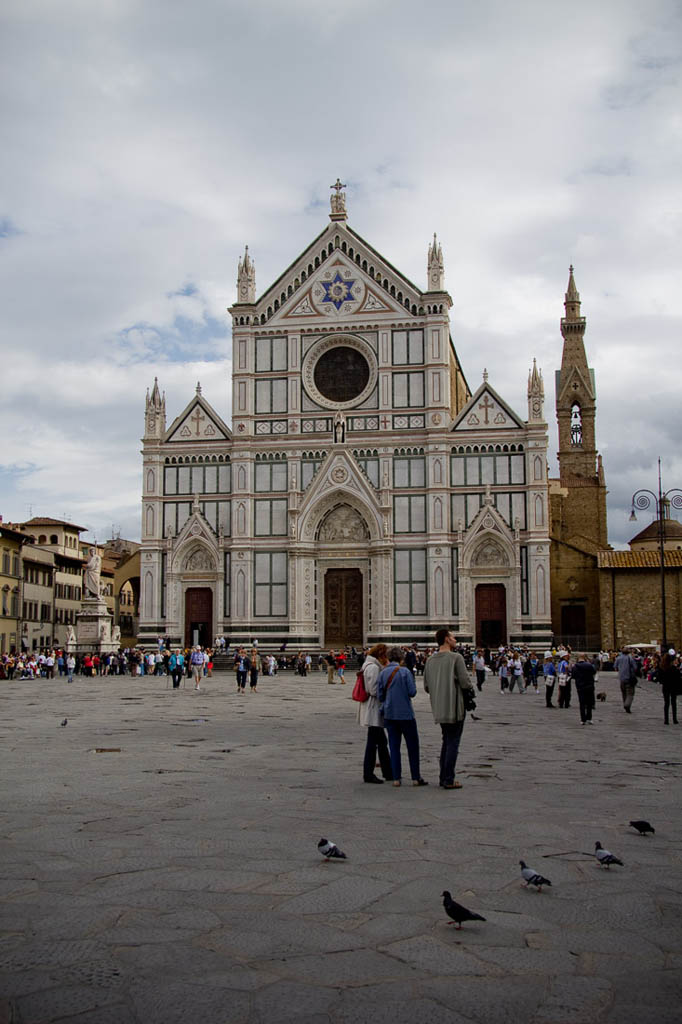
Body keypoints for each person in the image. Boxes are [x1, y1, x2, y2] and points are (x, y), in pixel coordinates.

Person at [423, 628, 474, 789]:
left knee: (446, 740)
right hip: (455, 706)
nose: (455, 639)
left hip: (439, 708)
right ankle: (448, 779)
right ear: (446, 639)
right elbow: (465, 683)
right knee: (453, 742)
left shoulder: (430, 660)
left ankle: (443, 777)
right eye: (452, 636)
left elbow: (426, 686)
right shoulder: (456, 658)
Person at [377, 646, 427, 787]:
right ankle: (416, 778)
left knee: (393, 746)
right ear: (401, 658)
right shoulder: (405, 672)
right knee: (412, 746)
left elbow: (380, 695)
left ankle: (396, 779)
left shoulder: (383, 673)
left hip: (389, 714)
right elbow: (412, 692)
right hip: (406, 715)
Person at [357, 643, 392, 784]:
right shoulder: (373, 668)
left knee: (381, 742)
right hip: (373, 709)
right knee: (373, 743)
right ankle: (368, 773)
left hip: (373, 709)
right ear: (381, 655)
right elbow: (374, 690)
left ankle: (388, 772)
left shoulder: (372, 666)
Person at [570, 652, 596, 724]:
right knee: (589, 703)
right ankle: (589, 718)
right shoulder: (589, 665)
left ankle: (583, 719)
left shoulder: (575, 666)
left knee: (582, 703)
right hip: (589, 686)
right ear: (585, 657)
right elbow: (594, 672)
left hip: (580, 686)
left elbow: (573, 676)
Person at [658, 650, 680, 725]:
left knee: (666, 703)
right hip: (673, 686)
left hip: (665, 687)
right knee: (674, 703)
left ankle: (666, 719)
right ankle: (674, 719)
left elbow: (660, 679)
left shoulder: (662, 668)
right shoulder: (673, 668)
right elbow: (678, 678)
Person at [614, 647, 638, 713]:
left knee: (624, 693)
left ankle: (625, 705)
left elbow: (615, 667)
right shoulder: (630, 658)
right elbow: (635, 668)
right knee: (630, 694)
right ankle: (627, 705)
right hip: (629, 678)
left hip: (621, 679)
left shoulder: (618, 658)